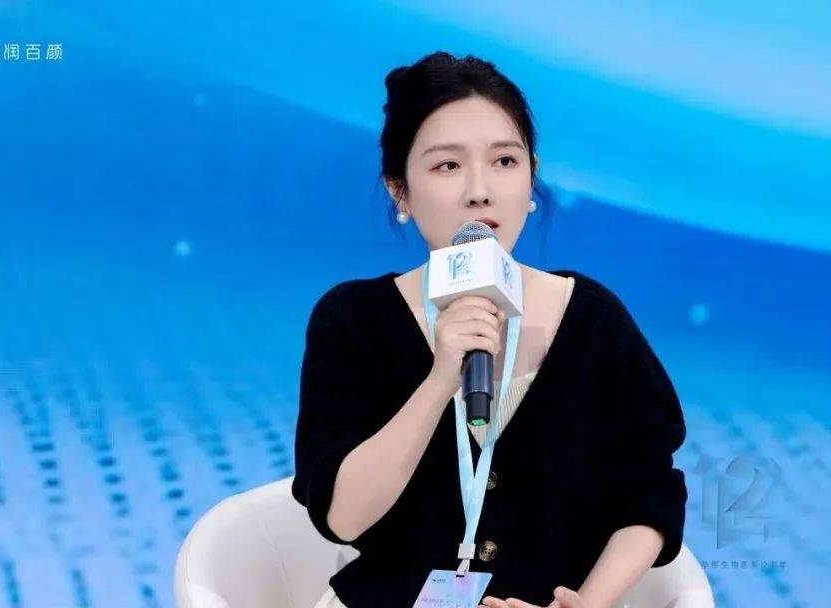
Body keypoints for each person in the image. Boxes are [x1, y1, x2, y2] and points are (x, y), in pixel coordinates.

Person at [291, 51, 687, 608]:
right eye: (447, 166)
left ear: (531, 177)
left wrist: (585, 604)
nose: (480, 190)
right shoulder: (352, 319)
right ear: (399, 190)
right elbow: (342, 517)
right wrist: (439, 380)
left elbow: (651, 493)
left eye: (504, 161)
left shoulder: (593, 318)